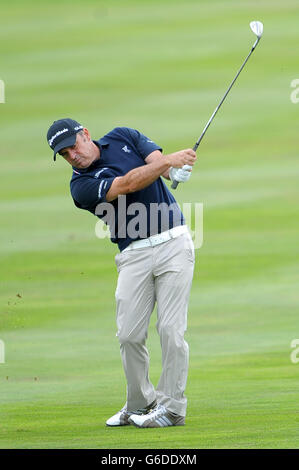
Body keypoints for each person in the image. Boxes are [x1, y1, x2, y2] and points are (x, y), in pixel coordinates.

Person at [46, 118, 196, 428]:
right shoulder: (80, 186)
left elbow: (155, 161)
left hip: (174, 244)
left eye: (73, 146)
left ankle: (172, 408)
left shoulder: (122, 136)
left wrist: (171, 171)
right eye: (64, 154)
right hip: (133, 254)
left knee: (170, 330)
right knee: (128, 334)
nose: (72, 156)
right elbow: (127, 184)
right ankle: (140, 403)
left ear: (85, 134)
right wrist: (169, 162)